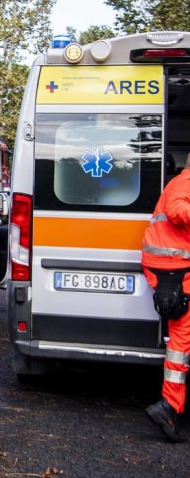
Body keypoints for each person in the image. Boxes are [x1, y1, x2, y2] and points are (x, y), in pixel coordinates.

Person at [142, 153, 190, 443]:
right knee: (182, 339)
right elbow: (176, 210)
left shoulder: (180, 182)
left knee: (181, 339)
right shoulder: (185, 183)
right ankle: (169, 406)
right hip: (173, 268)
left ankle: (170, 406)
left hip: (169, 267)